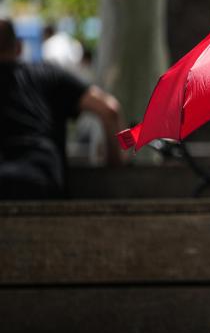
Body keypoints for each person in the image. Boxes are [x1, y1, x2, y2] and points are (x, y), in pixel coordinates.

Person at [0, 17, 122, 199]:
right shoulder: (47, 74)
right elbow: (109, 110)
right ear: (18, 47)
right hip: (42, 179)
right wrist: (115, 167)